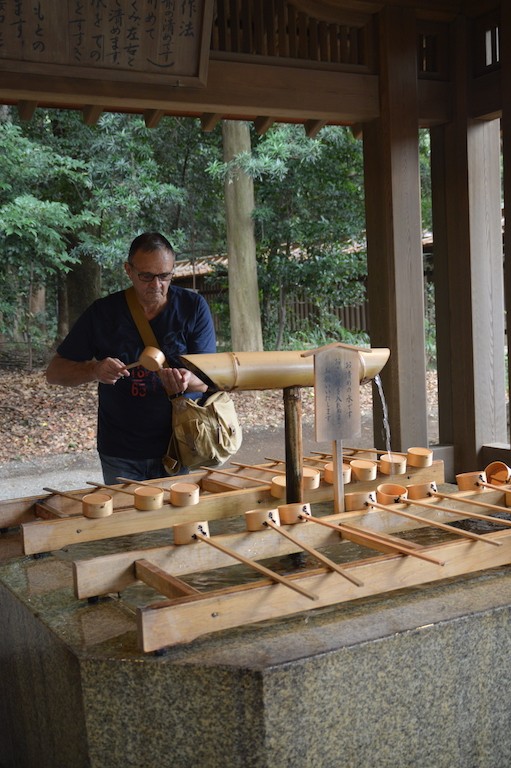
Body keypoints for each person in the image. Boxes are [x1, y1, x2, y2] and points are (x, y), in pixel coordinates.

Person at [45, 232, 216, 484]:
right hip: (121, 449)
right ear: (128, 270)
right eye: (146, 276)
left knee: (178, 521)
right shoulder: (103, 313)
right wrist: (94, 370)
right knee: (126, 522)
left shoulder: (192, 307)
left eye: (165, 276)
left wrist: (186, 380)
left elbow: (210, 379)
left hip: (181, 443)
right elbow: (55, 373)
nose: (156, 285)